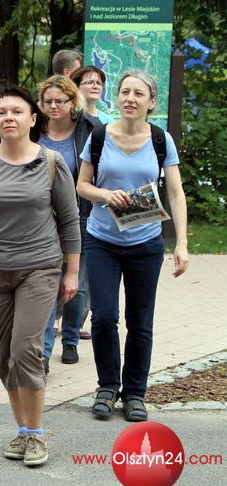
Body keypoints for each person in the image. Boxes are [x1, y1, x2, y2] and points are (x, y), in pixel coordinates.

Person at [0, 86, 80, 467]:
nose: (8, 117)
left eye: (17, 111)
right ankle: (23, 430)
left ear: (32, 118)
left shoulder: (52, 162)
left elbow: (70, 220)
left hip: (39, 267)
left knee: (26, 349)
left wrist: (72, 272)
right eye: (1, 112)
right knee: (5, 354)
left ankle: (36, 433)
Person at [76, 69, 189, 423]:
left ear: (151, 102)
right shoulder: (99, 137)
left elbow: (175, 192)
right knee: (104, 316)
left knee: (140, 321)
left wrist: (182, 243)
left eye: (138, 93)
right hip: (102, 241)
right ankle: (108, 387)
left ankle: (135, 393)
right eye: (125, 92)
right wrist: (104, 194)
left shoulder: (160, 140)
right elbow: (81, 185)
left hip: (145, 243)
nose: (130, 98)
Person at [37, 75, 101, 372]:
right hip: (40, 220)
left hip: (80, 216)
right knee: (46, 286)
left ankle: (72, 338)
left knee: (77, 286)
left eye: (59, 101)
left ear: (72, 102)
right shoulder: (34, 129)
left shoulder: (89, 129)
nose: (53, 106)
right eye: (47, 101)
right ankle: (43, 351)